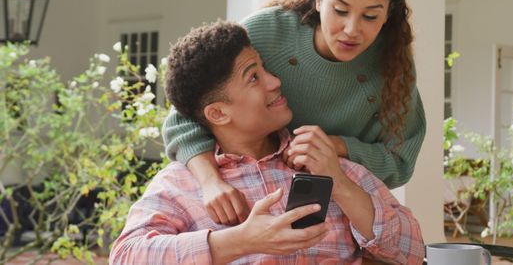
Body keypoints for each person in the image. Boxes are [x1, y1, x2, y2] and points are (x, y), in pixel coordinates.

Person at [163, 0, 426, 225]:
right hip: (246, 190)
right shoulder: (267, 32)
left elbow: (400, 160)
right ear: (318, 0)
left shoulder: (393, 65)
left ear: (389, 14)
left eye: (370, 16)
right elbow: (190, 107)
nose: (352, 29)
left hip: (336, 209)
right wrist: (210, 181)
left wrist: (337, 146)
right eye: (340, 10)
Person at [110, 21, 425, 264]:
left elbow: (411, 251)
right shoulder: (181, 184)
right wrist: (241, 241)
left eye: (264, 68)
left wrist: (339, 183)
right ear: (218, 113)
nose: (275, 81)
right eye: (253, 77)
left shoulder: (329, 163)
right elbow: (126, 256)